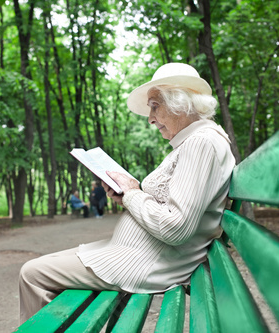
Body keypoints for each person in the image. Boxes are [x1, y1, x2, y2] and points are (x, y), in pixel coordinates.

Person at [17, 63, 236, 324]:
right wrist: (127, 197)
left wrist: (132, 194)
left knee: (32, 273)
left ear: (181, 103)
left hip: (146, 264)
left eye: (155, 106)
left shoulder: (201, 143)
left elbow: (175, 227)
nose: (150, 118)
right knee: (45, 264)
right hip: (135, 255)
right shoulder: (197, 142)